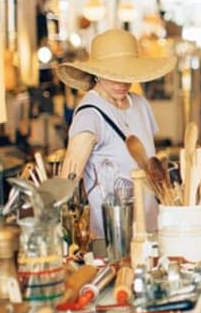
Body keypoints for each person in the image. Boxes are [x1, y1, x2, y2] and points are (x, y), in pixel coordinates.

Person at [57, 29, 176, 239]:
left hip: (151, 230)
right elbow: (67, 183)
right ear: (96, 73)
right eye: (113, 75)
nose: (121, 83)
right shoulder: (90, 115)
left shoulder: (140, 104)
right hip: (111, 236)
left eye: (127, 74)